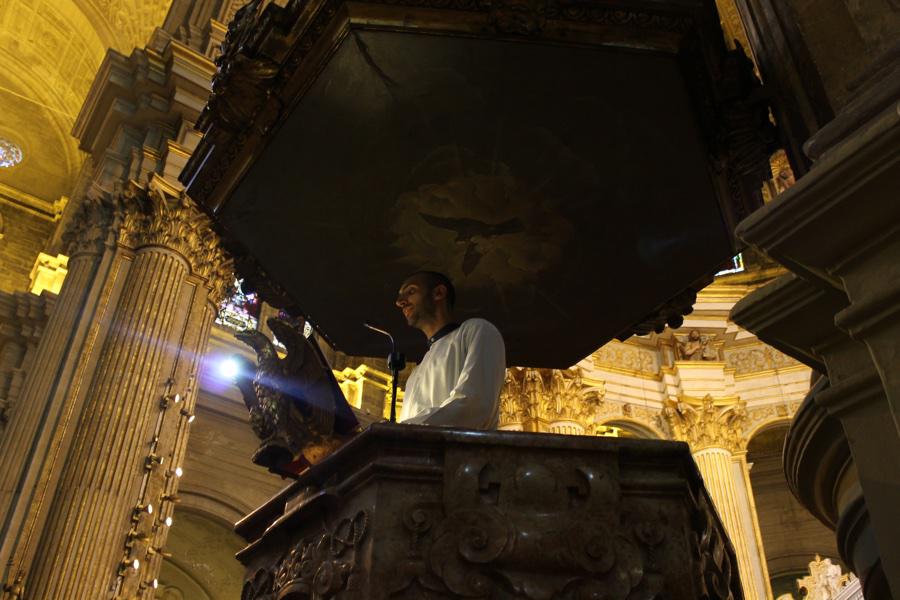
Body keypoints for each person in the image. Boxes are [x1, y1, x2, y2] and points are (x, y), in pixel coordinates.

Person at [394, 271, 505, 429]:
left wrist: (402, 430)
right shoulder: (415, 374)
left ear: (438, 293)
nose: (399, 302)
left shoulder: (476, 331)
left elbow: (473, 406)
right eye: (400, 296)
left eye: (411, 291)